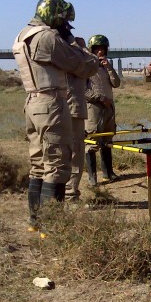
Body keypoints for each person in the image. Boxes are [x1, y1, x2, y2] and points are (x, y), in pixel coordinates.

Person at [12, 0, 98, 232]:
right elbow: (85, 65)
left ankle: (35, 222)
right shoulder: (48, 37)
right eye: (63, 20)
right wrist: (72, 41)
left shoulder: (22, 35)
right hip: (51, 104)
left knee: (39, 164)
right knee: (58, 164)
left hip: (32, 103)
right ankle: (51, 229)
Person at [85, 34, 121, 185]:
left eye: (102, 49)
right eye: (97, 49)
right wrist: (99, 98)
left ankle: (108, 173)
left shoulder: (106, 67)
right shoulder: (86, 66)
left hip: (109, 108)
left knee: (107, 140)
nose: (100, 52)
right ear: (92, 50)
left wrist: (109, 67)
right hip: (94, 108)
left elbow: (116, 83)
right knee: (92, 142)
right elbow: (82, 90)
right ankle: (92, 178)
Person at [64, 27, 92, 200]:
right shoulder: (71, 52)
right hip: (72, 107)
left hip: (54, 108)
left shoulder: (50, 47)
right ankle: (70, 195)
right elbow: (91, 65)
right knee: (75, 153)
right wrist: (81, 47)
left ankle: (55, 196)